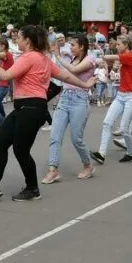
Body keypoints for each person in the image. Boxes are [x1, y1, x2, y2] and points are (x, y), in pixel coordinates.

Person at [0, 25, 94, 203]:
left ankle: (32, 189)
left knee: (21, 150)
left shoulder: (28, 57)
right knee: (0, 142)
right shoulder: (43, 59)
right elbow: (65, 77)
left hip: (31, 108)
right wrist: (85, 85)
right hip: (26, 108)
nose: (16, 40)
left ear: (27, 41)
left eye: (19, 37)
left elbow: (5, 76)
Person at [43, 35, 97, 184]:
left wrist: (58, 56)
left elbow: (73, 70)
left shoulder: (90, 59)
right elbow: (56, 49)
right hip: (65, 98)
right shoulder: (71, 57)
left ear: (82, 47)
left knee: (76, 139)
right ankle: (53, 170)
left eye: (73, 45)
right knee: (55, 136)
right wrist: (57, 44)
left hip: (80, 100)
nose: (70, 47)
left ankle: (88, 165)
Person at [92, 36, 132, 164]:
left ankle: (131, 154)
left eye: (119, 44)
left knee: (124, 128)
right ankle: (101, 154)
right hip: (121, 95)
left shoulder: (129, 56)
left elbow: (108, 58)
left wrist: (101, 52)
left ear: (126, 45)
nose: (117, 46)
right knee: (107, 123)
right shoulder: (128, 56)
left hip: (131, 97)